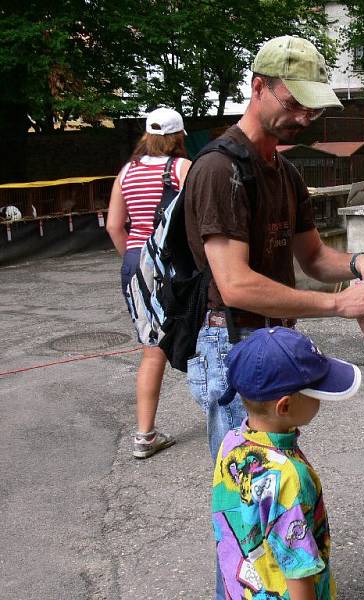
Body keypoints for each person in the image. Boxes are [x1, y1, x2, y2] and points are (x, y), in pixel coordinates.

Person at [184, 35, 364, 460]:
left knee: (280, 469)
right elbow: (236, 286)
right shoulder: (219, 169)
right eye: (294, 103)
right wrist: (340, 306)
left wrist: (359, 263)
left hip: (274, 336)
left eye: (313, 108)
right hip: (233, 337)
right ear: (258, 87)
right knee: (252, 483)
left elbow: (315, 258)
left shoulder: (284, 172)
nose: (304, 118)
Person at [212, 327, 359, 600]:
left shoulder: (232, 443)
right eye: (316, 392)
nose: (321, 399)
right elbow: (297, 568)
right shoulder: (288, 476)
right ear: (285, 406)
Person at [107, 107, 191, 459]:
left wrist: (136, 259)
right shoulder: (181, 168)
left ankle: (145, 434)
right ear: (179, 136)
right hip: (172, 262)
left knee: (151, 347)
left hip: (135, 260)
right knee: (203, 331)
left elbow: (114, 226)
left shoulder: (126, 172)